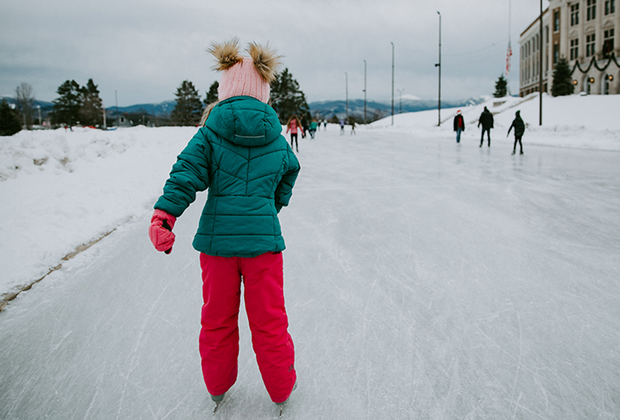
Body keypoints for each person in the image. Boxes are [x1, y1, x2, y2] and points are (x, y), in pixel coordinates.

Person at [148, 39, 300, 410]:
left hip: (217, 246)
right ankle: (281, 389)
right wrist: (269, 206)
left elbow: (185, 175)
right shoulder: (278, 141)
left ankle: (218, 386)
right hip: (263, 245)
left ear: (226, 89)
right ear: (263, 91)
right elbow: (290, 173)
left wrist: (164, 216)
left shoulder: (209, 133)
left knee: (217, 319)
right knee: (270, 321)